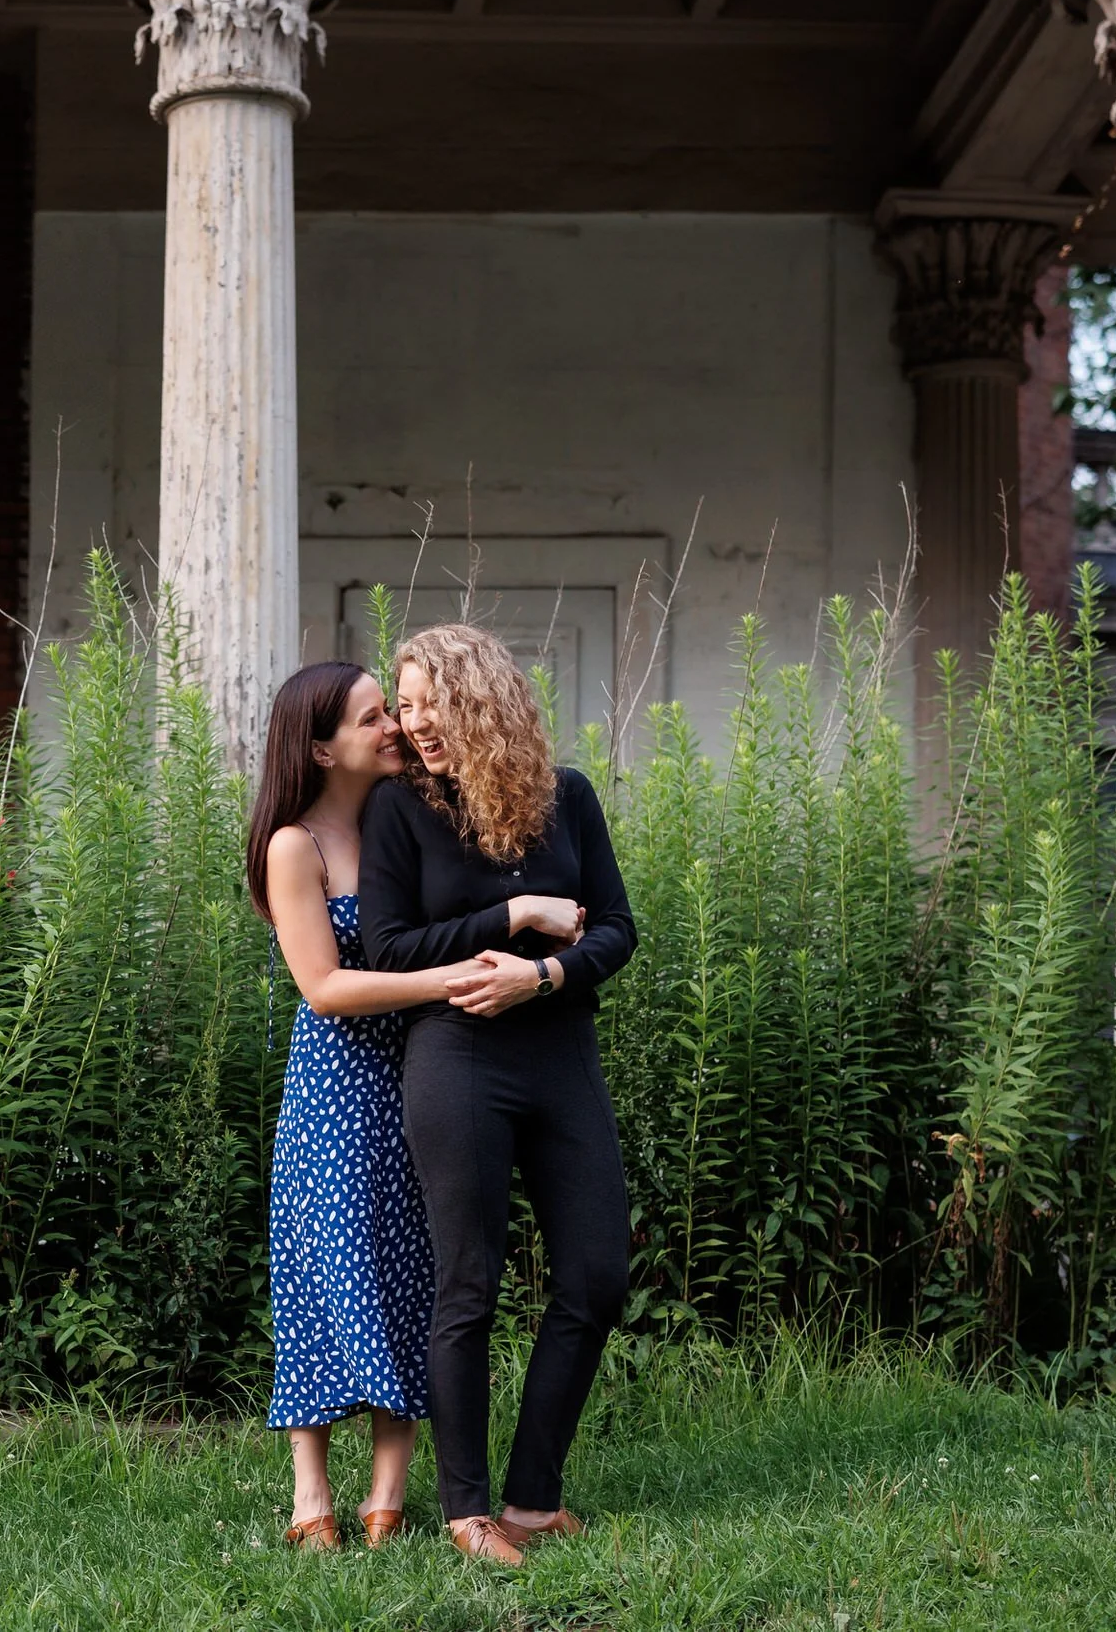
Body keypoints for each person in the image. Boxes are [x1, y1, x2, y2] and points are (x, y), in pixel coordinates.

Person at [247, 660, 552, 1553]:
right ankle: (313, 1495)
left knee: (416, 1273)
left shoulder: (406, 814)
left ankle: (387, 1498)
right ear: (319, 745)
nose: (395, 727)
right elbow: (324, 986)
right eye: (374, 716)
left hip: (422, 1073)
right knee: (322, 1277)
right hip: (338, 1090)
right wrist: (451, 976)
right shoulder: (294, 844)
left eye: (393, 711)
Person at [357, 623, 637, 1566]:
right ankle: (466, 1509)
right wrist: (514, 917)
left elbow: (617, 931)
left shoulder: (569, 799)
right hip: (459, 1057)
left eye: (433, 702)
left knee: (597, 1275)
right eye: (405, 705)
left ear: (486, 703)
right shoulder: (400, 810)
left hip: (560, 1055)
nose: (415, 722)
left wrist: (544, 978)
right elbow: (389, 946)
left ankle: (532, 1498)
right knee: (467, 1284)